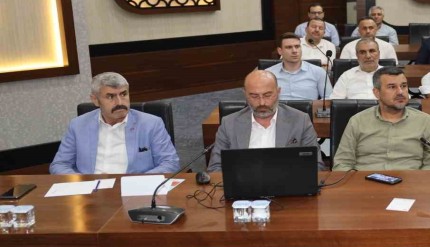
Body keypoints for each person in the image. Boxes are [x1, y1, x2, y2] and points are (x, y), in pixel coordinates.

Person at [50, 72, 180, 174]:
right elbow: (59, 165)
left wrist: (137, 182)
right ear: (95, 100)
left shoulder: (151, 124)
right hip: (91, 191)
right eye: (110, 96)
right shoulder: (78, 125)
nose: (119, 102)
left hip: (133, 190)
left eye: (123, 94)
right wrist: (81, 182)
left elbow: (170, 163)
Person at [207, 70, 323, 172]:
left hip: (287, 185)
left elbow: (316, 165)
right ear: (245, 94)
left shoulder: (300, 121)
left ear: (278, 92)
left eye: (267, 95)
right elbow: (215, 167)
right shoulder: (229, 123)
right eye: (254, 96)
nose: (262, 103)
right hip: (242, 186)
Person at [332, 66, 430, 171]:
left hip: (410, 180)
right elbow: (342, 163)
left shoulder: (424, 121)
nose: (400, 92)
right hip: (365, 180)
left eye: (403, 86)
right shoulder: (357, 121)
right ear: (377, 93)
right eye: (392, 87)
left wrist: (420, 181)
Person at [267, 33, 332, 100]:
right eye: (289, 47)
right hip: (279, 106)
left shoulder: (319, 72)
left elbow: (328, 99)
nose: (294, 51)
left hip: (308, 107)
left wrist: (312, 105)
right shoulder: (268, 74)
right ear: (280, 51)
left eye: (297, 46)